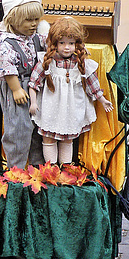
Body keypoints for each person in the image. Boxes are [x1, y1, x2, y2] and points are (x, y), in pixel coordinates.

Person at [28, 16, 113, 165]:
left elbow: (93, 84)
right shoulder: (47, 62)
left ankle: (66, 168)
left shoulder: (81, 63)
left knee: (67, 139)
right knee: (48, 137)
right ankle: (51, 168)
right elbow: (34, 83)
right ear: (55, 43)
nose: (66, 47)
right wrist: (33, 102)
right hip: (51, 107)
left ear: (77, 44)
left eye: (71, 43)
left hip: (71, 109)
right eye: (62, 43)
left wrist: (102, 99)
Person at [0, 0, 48, 169]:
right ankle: (16, 167)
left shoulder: (35, 38)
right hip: (18, 87)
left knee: (38, 128)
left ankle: (37, 165)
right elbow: (7, 68)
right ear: (12, 19)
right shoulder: (7, 43)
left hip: (36, 88)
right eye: (28, 20)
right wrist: (16, 88)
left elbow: (53, 43)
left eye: (36, 20)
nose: (33, 24)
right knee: (19, 128)